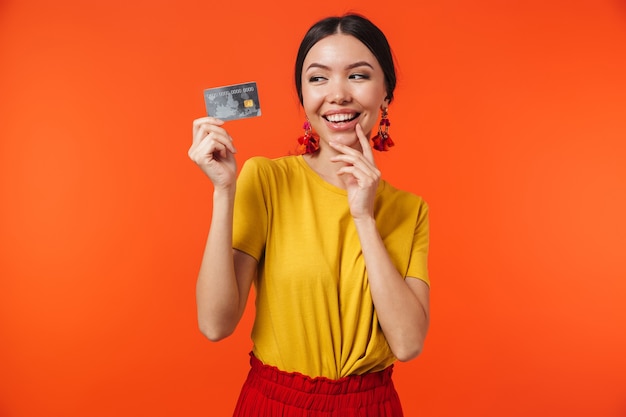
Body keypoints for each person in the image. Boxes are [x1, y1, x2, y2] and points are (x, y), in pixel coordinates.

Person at [188, 13, 430, 417]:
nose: (337, 95)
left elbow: (407, 344)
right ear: (303, 97)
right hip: (277, 404)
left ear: (386, 93)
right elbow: (216, 325)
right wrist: (223, 190)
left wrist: (364, 218)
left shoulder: (409, 209)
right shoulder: (266, 179)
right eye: (318, 78)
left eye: (358, 75)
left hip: (370, 407)